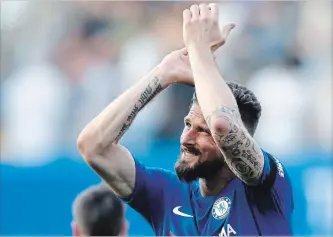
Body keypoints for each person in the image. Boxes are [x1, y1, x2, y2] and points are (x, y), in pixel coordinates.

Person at [77, 3, 294, 236]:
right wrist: (163, 74)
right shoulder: (165, 194)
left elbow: (223, 126)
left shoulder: (265, 187)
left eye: (202, 130)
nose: (187, 137)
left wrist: (200, 53)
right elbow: (92, 146)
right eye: (188, 124)